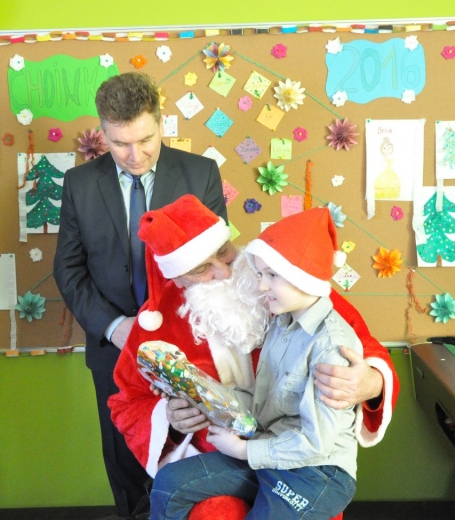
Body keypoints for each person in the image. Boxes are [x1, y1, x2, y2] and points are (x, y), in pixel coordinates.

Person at [108, 196, 398, 519]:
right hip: (224, 450)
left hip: (302, 460)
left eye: (223, 251)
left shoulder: (281, 279)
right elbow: (127, 403)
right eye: (202, 268)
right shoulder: (156, 321)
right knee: (209, 509)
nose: (224, 272)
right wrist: (169, 417)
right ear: (176, 277)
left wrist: (371, 382)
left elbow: (361, 348)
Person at [53, 72, 227, 517]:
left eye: (145, 140)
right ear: (103, 132)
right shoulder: (78, 184)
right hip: (115, 351)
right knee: (124, 460)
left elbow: (217, 266)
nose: (135, 155)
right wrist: (115, 327)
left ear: (161, 122)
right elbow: (68, 269)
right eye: (120, 144)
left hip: (191, 348)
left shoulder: (200, 173)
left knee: (196, 459)